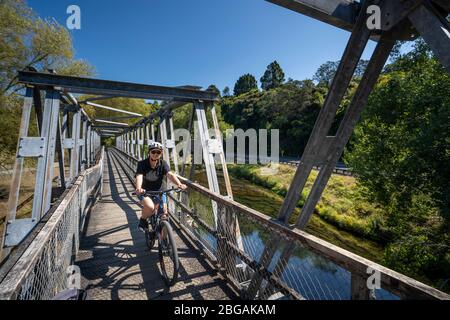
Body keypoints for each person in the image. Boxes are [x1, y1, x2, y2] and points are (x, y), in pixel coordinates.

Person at [135, 141, 187, 231]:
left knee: (164, 215)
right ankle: (143, 220)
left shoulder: (163, 163)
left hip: (160, 191)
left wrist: (179, 184)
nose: (155, 154)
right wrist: (138, 187)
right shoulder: (142, 164)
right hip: (145, 191)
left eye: (158, 152)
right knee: (150, 207)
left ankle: (164, 242)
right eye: (153, 152)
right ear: (149, 152)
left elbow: (170, 174)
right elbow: (139, 176)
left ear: (161, 153)